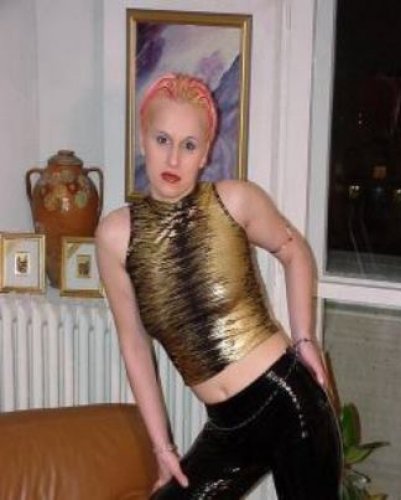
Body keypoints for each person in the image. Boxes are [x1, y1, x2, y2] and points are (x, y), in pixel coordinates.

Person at [95, 73, 342, 499]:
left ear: (206, 152)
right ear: (142, 139)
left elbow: (294, 251)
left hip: (290, 403)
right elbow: (134, 344)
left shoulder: (235, 200)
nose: (174, 158)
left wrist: (305, 339)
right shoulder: (115, 236)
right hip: (228, 428)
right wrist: (162, 448)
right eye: (162, 140)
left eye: (189, 145)